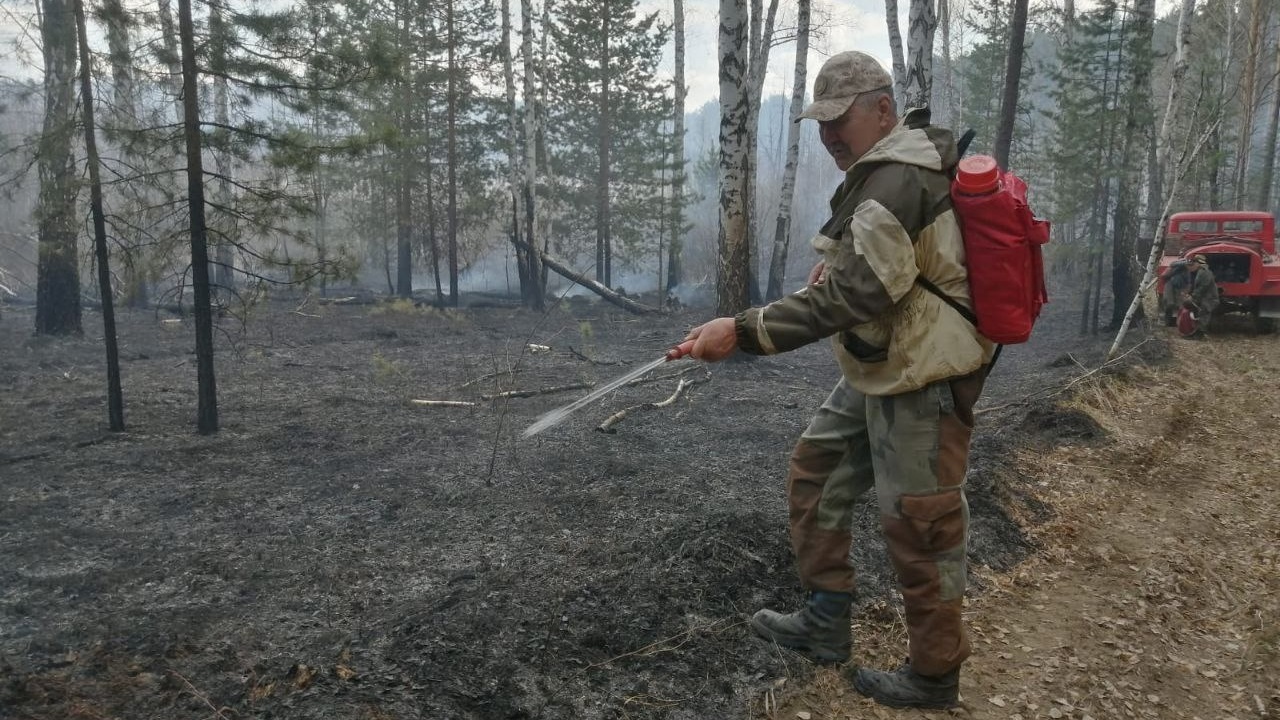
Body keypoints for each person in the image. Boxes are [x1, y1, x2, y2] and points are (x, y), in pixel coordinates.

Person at [683, 51, 994, 710]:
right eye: (820, 122)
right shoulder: (883, 174)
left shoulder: (896, 181)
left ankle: (935, 676)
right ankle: (825, 622)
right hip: (887, 364)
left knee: (921, 523)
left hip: (925, 376)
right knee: (817, 470)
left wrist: (742, 330)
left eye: (839, 119)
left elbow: (857, 297)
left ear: (882, 110)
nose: (828, 135)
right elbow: (870, 275)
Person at [1180, 254, 1218, 338]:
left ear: (1198, 263)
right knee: (1199, 312)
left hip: (1209, 298)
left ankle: (1200, 333)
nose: (1193, 264)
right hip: (1205, 297)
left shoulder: (1204, 272)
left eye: (1194, 262)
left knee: (1204, 313)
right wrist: (1189, 294)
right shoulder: (1200, 272)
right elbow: (1195, 286)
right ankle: (1195, 331)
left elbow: (1202, 288)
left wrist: (1193, 297)